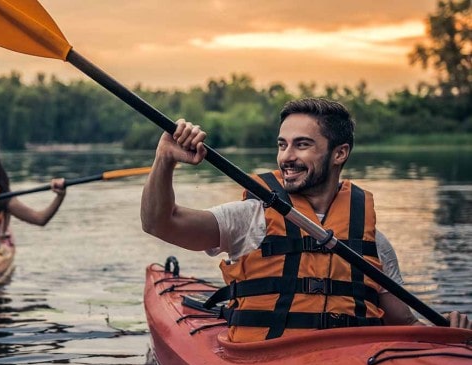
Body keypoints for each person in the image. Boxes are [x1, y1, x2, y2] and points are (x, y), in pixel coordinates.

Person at [140, 97, 471, 343]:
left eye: (302, 145)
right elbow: (160, 222)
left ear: (339, 153)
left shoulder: (373, 243)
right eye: (282, 145)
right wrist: (165, 159)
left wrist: (448, 336)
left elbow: (405, 326)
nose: (287, 157)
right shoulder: (250, 218)